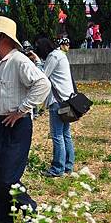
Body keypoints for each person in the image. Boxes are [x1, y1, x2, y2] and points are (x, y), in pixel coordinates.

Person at [0, 16, 50, 223]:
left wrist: (22, 109)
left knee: (8, 178)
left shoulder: (19, 61)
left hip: (15, 127)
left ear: (2, 38)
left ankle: (30, 213)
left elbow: (42, 84)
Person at [34, 37, 76, 178]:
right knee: (65, 135)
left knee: (57, 136)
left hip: (57, 103)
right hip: (67, 101)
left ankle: (58, 168)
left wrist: (37, 62)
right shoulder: (60, 55)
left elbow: (43, 76)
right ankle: (68, 166)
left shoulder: (53, 56)